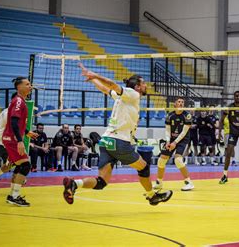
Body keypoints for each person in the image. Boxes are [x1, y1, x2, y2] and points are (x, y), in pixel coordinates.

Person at [62, 63, 173, 206]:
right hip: (119, 142)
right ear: (137, 87)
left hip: (106, 141)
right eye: (143, 83)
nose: (146, 85)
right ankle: (152, 196)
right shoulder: (133, 94)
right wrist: (95, 75)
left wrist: (91, 78)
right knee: (144, 167)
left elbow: (105, 88)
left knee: (102, 182)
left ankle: (74, 184)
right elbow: (113, 85)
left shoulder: (123, 98)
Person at [2, 77, 39, 206]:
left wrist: (27, 131)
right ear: (19, 87)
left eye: (30, 84)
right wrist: (19, 140)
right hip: (12, 139)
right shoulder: (18, 101)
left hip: (10, 138)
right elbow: (13, 121)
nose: (30, 86)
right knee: (25, 165)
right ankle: (14, 196)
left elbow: (19, 122)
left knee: (20, 165)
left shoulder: (21, 101)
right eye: (27, 84)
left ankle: (12, 195)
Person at [154, 97, 195, 191]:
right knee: (161, 160)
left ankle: (189, 182)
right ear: (175, 104)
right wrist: (168, 141)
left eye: (182, 102)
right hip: (171, 139)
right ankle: (159, 183)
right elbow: (167, 130)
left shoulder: (187, 116)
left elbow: (184, 132)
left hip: (183, 140)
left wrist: (175, 143)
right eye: (179, 102)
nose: (181, 103)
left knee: (178, 160)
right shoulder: (170, 115)